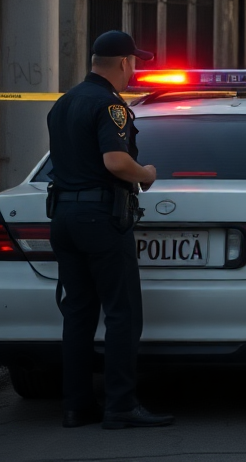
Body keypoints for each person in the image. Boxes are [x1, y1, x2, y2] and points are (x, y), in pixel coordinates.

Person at [46, 31, 173, 430]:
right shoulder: (109, 105)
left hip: (63, 218)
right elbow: (117, 162)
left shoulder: (65, 102)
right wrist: (147, 174)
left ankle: (76, 406)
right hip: (100, 219)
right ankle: (120, 406)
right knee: (122, 314)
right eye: (134, 62)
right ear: (123, 63)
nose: (134, 69)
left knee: (78, 315)